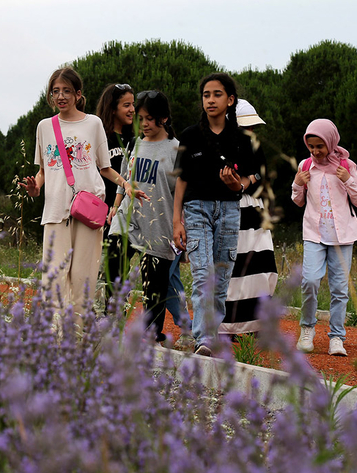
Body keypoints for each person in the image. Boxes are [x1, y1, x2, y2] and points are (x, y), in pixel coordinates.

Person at [18, 67, 147, 322]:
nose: (61, 96)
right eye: (55, 91)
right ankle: (54, 339)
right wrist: (36, 187)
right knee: (53, 280)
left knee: (82, 279)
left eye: (66, 91)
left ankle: (75, 340)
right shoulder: (45, 127)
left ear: (78, 94)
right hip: (55, 211)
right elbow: (43, 170)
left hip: (88, 210)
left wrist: (126, 184)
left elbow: (105, 168)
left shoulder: (93, 123)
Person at [173, 73, 254, 357]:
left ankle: (212, 332)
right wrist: (176, 221)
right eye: (206, 95)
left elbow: (253, 175)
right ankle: (204, 339)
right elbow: (181, 180)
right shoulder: (190, 135)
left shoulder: (242, 139)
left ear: (230, 100)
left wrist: (239, 184)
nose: (210, 100)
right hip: (196, 209)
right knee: (203, 274)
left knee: (220, 279)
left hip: (230, 210)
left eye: (217, 94)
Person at [111, 90, 182, 342]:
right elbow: (123, 179)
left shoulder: (176, 149)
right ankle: (111, 319)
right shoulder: (134, 143)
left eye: (150, 118)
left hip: (159, 222)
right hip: (127, 216)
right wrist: (115, 205)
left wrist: (179, 225)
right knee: (112, 259)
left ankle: (150, 335)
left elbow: (182, 191)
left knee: (154, 284)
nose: (145, 124)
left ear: (163, 118)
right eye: (140, 118)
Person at [292, 119, 357, 356]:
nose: (315, 151)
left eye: (319, 146)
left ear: (331, 142)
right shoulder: (305, 166)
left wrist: (347, 179)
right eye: (311, 146)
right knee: (310, 281)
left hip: (342, 237)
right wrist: (297, 184)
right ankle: (307, 329)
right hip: (314, 233)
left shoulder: (346, 166)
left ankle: (336, 336)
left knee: (339, 289)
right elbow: (298, 201)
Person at [222, 99, 278, 337]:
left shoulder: (255, 146)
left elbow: (262, 172)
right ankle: (228, 326)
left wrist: (247, 181)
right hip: (229, 210)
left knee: (261, 267)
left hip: (254, 209)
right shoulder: (219, 145)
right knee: (232, 271)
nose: (250, 131)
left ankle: (257, 324)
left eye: (252, 126)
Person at [95, 82, 136, 311]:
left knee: (120, 270)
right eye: (126, 105)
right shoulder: (100, 138)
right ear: (113, 108)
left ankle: (114, 318)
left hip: (123, 216)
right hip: (99, 214)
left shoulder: (135, 140)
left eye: (133, 105)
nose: (132, 110)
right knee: (99, 268)